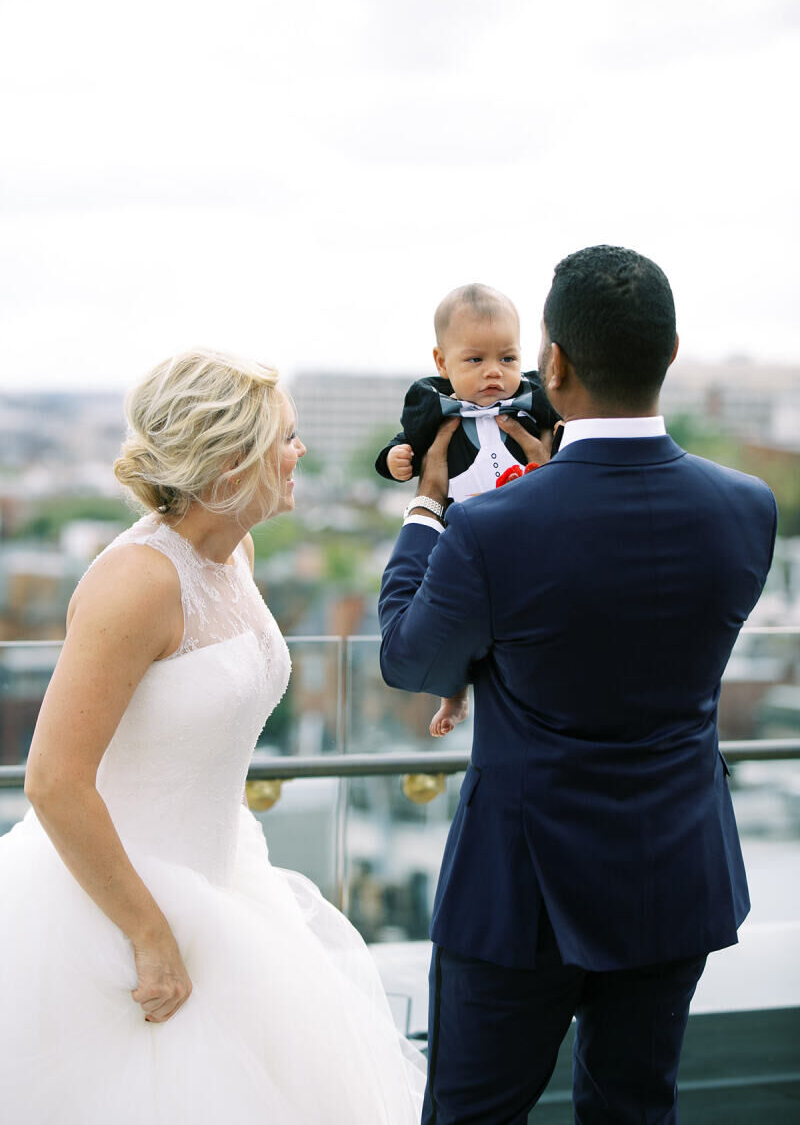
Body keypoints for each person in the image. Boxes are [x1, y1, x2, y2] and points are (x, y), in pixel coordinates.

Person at [378, 246, 777, 1124]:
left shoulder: (491, 528)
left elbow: (409, 659)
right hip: (675, 870)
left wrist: (425, 509)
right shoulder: (749, 507)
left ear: (552, 364)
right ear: (670, 352)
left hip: (519, 889)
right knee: (636, 1110)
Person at [0, 348, 424, 1124]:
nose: (301, 454)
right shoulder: (135, 581)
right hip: (114, 909)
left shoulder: (235, 553)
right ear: (231, 459)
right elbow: (54, 779)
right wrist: (149, 934)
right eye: (286, 438)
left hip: (226, 877)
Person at [376, 283, 559, 735]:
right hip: (461, 535)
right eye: (475, 360)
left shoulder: (534, 406)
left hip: (523, 532)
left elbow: (561, 439)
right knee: (454, 613)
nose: (493, 372)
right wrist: (395, 460)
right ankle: (454, 693)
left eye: (508, 359)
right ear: (442, 362)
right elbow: (408, 446)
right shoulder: (433, 409)